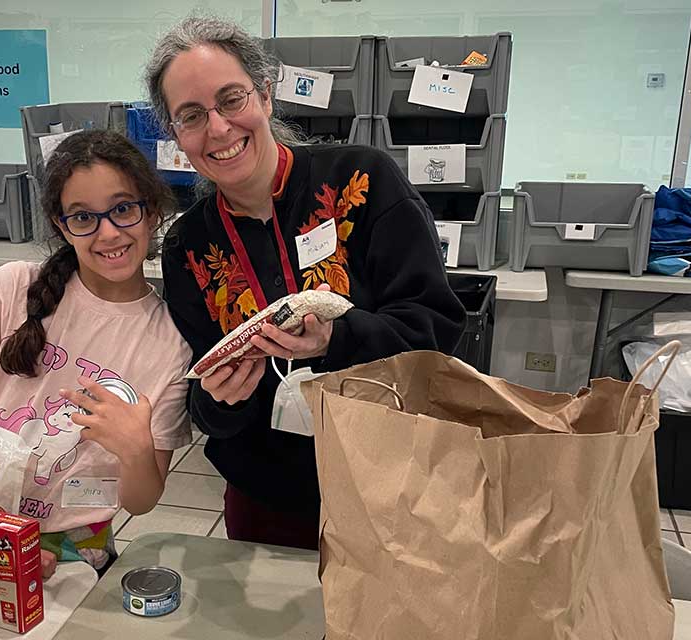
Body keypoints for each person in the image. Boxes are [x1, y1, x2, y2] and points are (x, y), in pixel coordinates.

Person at [145, 16, 467, 549]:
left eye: (231, 99)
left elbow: (436, 331)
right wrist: (225, 400)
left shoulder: (362, 180)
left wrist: (335, 341)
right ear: (176, 135)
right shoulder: (188, 246)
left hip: (389, 488)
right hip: (267, 499)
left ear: (266, 96)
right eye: (192, 116)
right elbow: (201, 403)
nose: (219, 129)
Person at [0, 130, 193, 575]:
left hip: (77, 555)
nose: (108, 233)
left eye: (123, 209)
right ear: (61, 225)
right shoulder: (10, 287)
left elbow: (141, 502)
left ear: (153, 211)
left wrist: (137, 450)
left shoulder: (170, 344)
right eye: (83, 217)